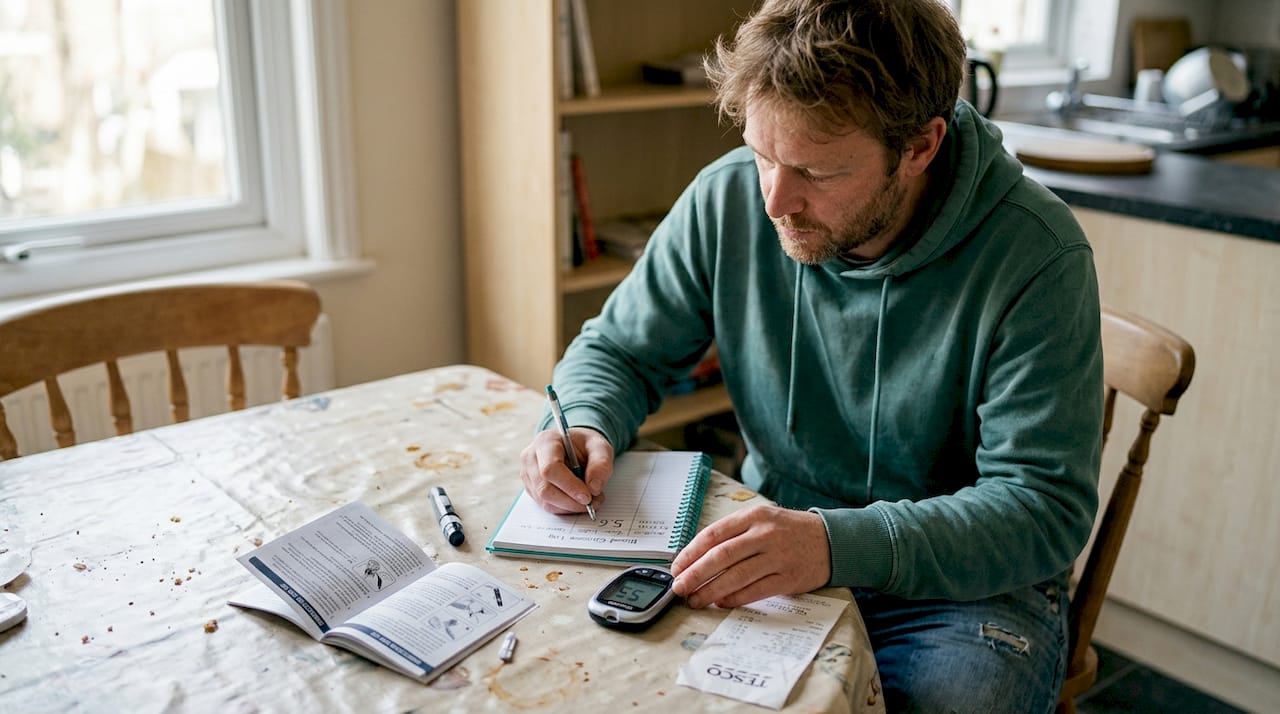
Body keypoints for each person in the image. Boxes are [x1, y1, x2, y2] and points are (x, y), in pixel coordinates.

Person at [517, 0, 1103, 711]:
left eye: (815, 173)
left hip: (964, 587)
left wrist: (832, 543)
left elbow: (1040, 507)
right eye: (762, 154)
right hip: (771, 537)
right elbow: (618, 350)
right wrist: (584, 422)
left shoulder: (1038, 254)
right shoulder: (728, 198)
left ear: (919, 148)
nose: (773, 200)